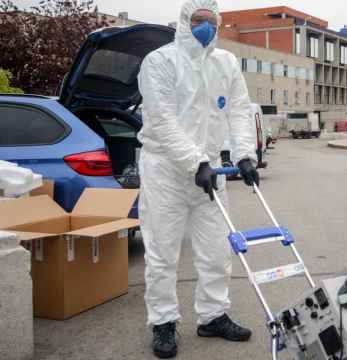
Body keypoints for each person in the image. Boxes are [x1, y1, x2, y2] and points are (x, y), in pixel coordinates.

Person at [136, 0, 260, 358]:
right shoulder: (160, 61)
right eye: (197, 19)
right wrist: (195, 162)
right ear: (184, 22)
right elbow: (162, 121)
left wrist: (244, 156)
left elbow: (237, 110)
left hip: (210, 174)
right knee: (162, 252)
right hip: (166, 172)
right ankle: (162, 323)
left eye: (210, 20)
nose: (204, 26)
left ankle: (213, 316)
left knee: (217, 251)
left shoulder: (226, 63)